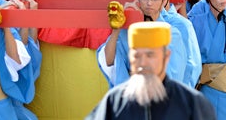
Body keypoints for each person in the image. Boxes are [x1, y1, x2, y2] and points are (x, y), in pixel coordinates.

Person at [86, 22, 216, 120]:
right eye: (136, 56)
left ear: (166, 57)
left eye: (150, 55)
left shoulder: (191, 102)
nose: (142, 63)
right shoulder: (114, 102)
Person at [97, 0, 188, 87]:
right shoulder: (128, 31)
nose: (149, 3)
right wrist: (116, 30)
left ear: (164, 0)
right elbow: (109, 61)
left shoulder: (172, 34)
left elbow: (176, 74)